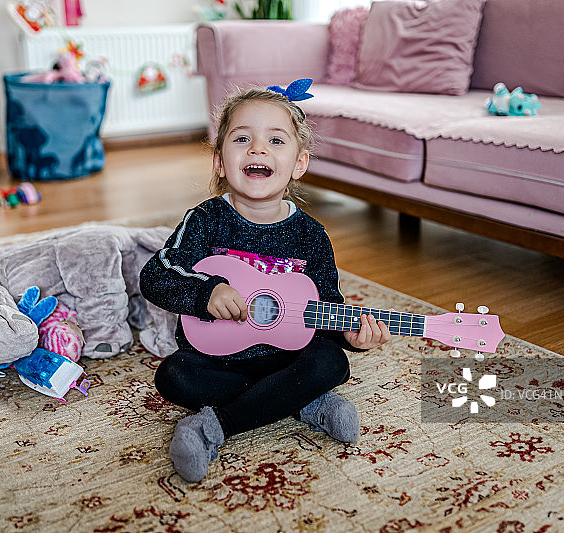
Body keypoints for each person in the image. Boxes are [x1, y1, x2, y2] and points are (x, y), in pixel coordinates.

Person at [139, 80, 391, 483]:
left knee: (332, 362)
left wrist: (350, 335)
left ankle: (215, 426)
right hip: (217, 358)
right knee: (173, 375)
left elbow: (326, 305)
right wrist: (206, 291)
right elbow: (156, 275)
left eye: (276, 140)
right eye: (242, 139)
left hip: (286, 356)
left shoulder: (311, 235)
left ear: (299, 163)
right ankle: (300, 401)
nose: (258, 149)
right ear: (220, 161)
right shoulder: (205, 220)